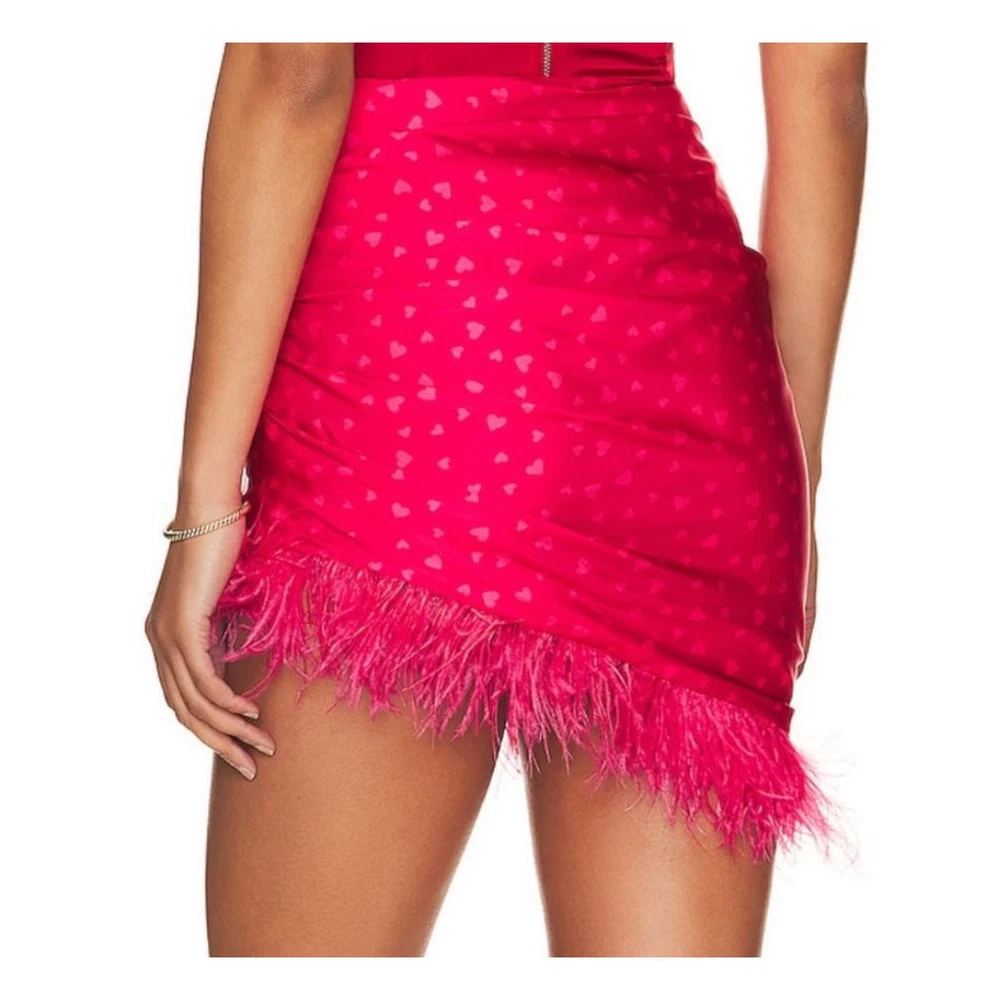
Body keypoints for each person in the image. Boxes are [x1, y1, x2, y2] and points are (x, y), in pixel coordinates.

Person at [145, 42, 867, 957]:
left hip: (418, 352)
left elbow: (292, 76)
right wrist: (793, 478)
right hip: (684, 373)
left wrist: (206, 506)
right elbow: (828, 98)